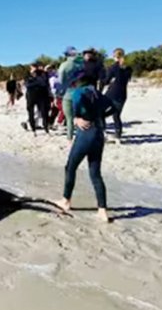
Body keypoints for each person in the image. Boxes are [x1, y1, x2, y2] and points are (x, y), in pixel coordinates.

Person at [54, 72, 111, 222]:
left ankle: (66, 201)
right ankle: (102, 210)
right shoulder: (98, 93)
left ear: (79, 82)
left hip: (85, 134)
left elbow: (76, 105)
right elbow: (114, 106)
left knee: (70, 167)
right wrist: (100, 117)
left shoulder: (79, 92)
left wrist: (77, 117)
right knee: (95, 173)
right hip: (99, 133)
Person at [103, 48, 132, 144]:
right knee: (117, 116)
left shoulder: (112, 68)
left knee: (101, 114)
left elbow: (106, 81)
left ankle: (103, 134)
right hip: (123, 94)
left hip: (111, 94)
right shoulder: (128, 69)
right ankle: (118, 136)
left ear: (114, 56)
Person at [57, 46, 82, 144]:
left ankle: (69, 139)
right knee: (80, 116)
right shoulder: (80, 65)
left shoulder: (64, 65)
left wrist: (58, 95)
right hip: (80, 93)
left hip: (67, 94)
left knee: (69, 118)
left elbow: (60, 82)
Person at [24, 64, 51, 135]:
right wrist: (37, 82)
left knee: (44, 112)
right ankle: (33, 129)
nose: (34, 70)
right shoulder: (28, 77)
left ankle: (46, 128)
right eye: (32, 69)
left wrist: (44, 72)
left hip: (41, 97)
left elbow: (45, 83)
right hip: (31, 97)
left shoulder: (42, 76)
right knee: (31, 112)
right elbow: (27, 85)